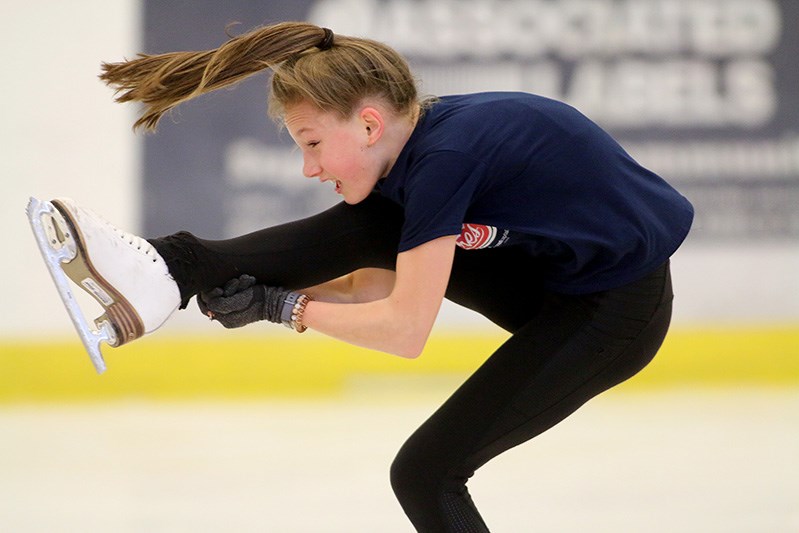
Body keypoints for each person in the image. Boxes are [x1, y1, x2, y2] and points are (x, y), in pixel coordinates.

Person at [42, 22, 693, 532]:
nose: (306, 167)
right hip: (550, 279)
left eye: (312, 143)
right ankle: (169, 272)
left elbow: (406, 328)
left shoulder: (445, 158)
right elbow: (375, 281)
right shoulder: (412, 153)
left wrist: (285, 307)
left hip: (615, 312)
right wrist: (276, 300)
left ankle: (170, 267)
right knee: (369, 227)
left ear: (369, 123)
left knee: (426, 472)